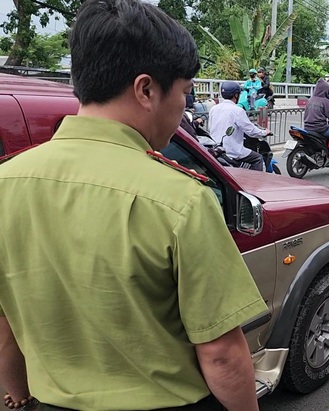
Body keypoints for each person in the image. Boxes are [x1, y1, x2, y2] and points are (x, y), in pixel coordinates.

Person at [0, 0, 267, 410]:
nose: (184, 108)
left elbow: (6, 324)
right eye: (184, 93)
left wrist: (16, 398)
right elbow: (221, 354)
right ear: (146, 90)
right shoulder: (181, 199)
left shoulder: (6, 184)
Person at [209, 81, 270, 171]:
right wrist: (264, 132)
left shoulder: (213, 109)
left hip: (215, 148)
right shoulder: (237, 110)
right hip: (232, 150)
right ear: (236, 95)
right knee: (258, 158)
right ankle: (256, 183)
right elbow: (250, 130)